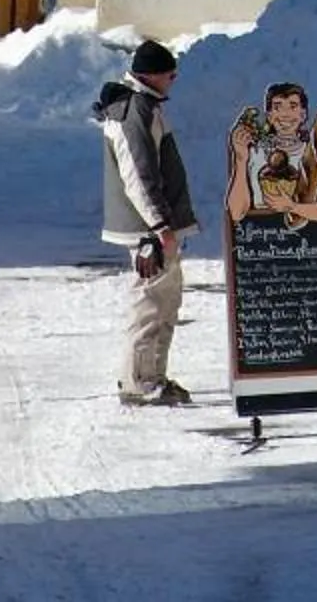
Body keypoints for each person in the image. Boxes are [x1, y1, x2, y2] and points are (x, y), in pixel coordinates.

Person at [93, 37, 199, 407]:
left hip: (152, 229)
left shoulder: (142, 106)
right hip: (147, 233)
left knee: (164, 303)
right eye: (171, 74)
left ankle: (153, 376)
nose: (174, 79)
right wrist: (159, 227)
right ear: (152, 76)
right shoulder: (133, 112)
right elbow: (138, 174)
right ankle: (139, 382)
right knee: (150, 304)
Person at [226, 83, 317, 227]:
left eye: (293, 106)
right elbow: (236, 213)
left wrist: (293, 207)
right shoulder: (254, 154)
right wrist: (240, 159)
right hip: (260, 241)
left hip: (311, 243)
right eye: (277, 107)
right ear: (269, 116)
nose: (285, 114)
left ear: (303, 115)